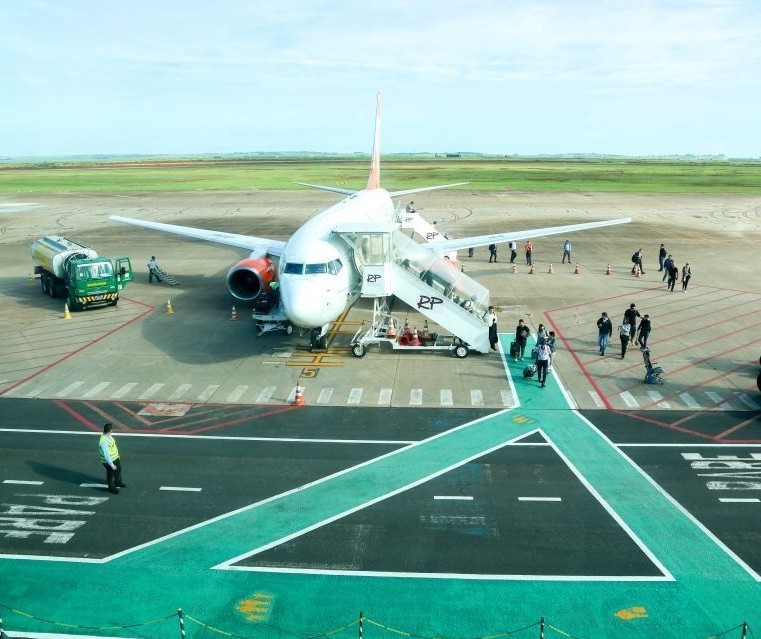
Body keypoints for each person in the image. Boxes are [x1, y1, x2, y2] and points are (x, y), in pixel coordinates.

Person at [98, 422, 125, 495]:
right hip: (108, 461)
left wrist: (117, 456)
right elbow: (106, 454)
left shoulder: (108, 436)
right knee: (110, 473)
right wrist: (111, 464)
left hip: (115, 457)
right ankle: (111, 487)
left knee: (118, 469)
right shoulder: (103, 441)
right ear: (110, 430)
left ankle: (118, 482)